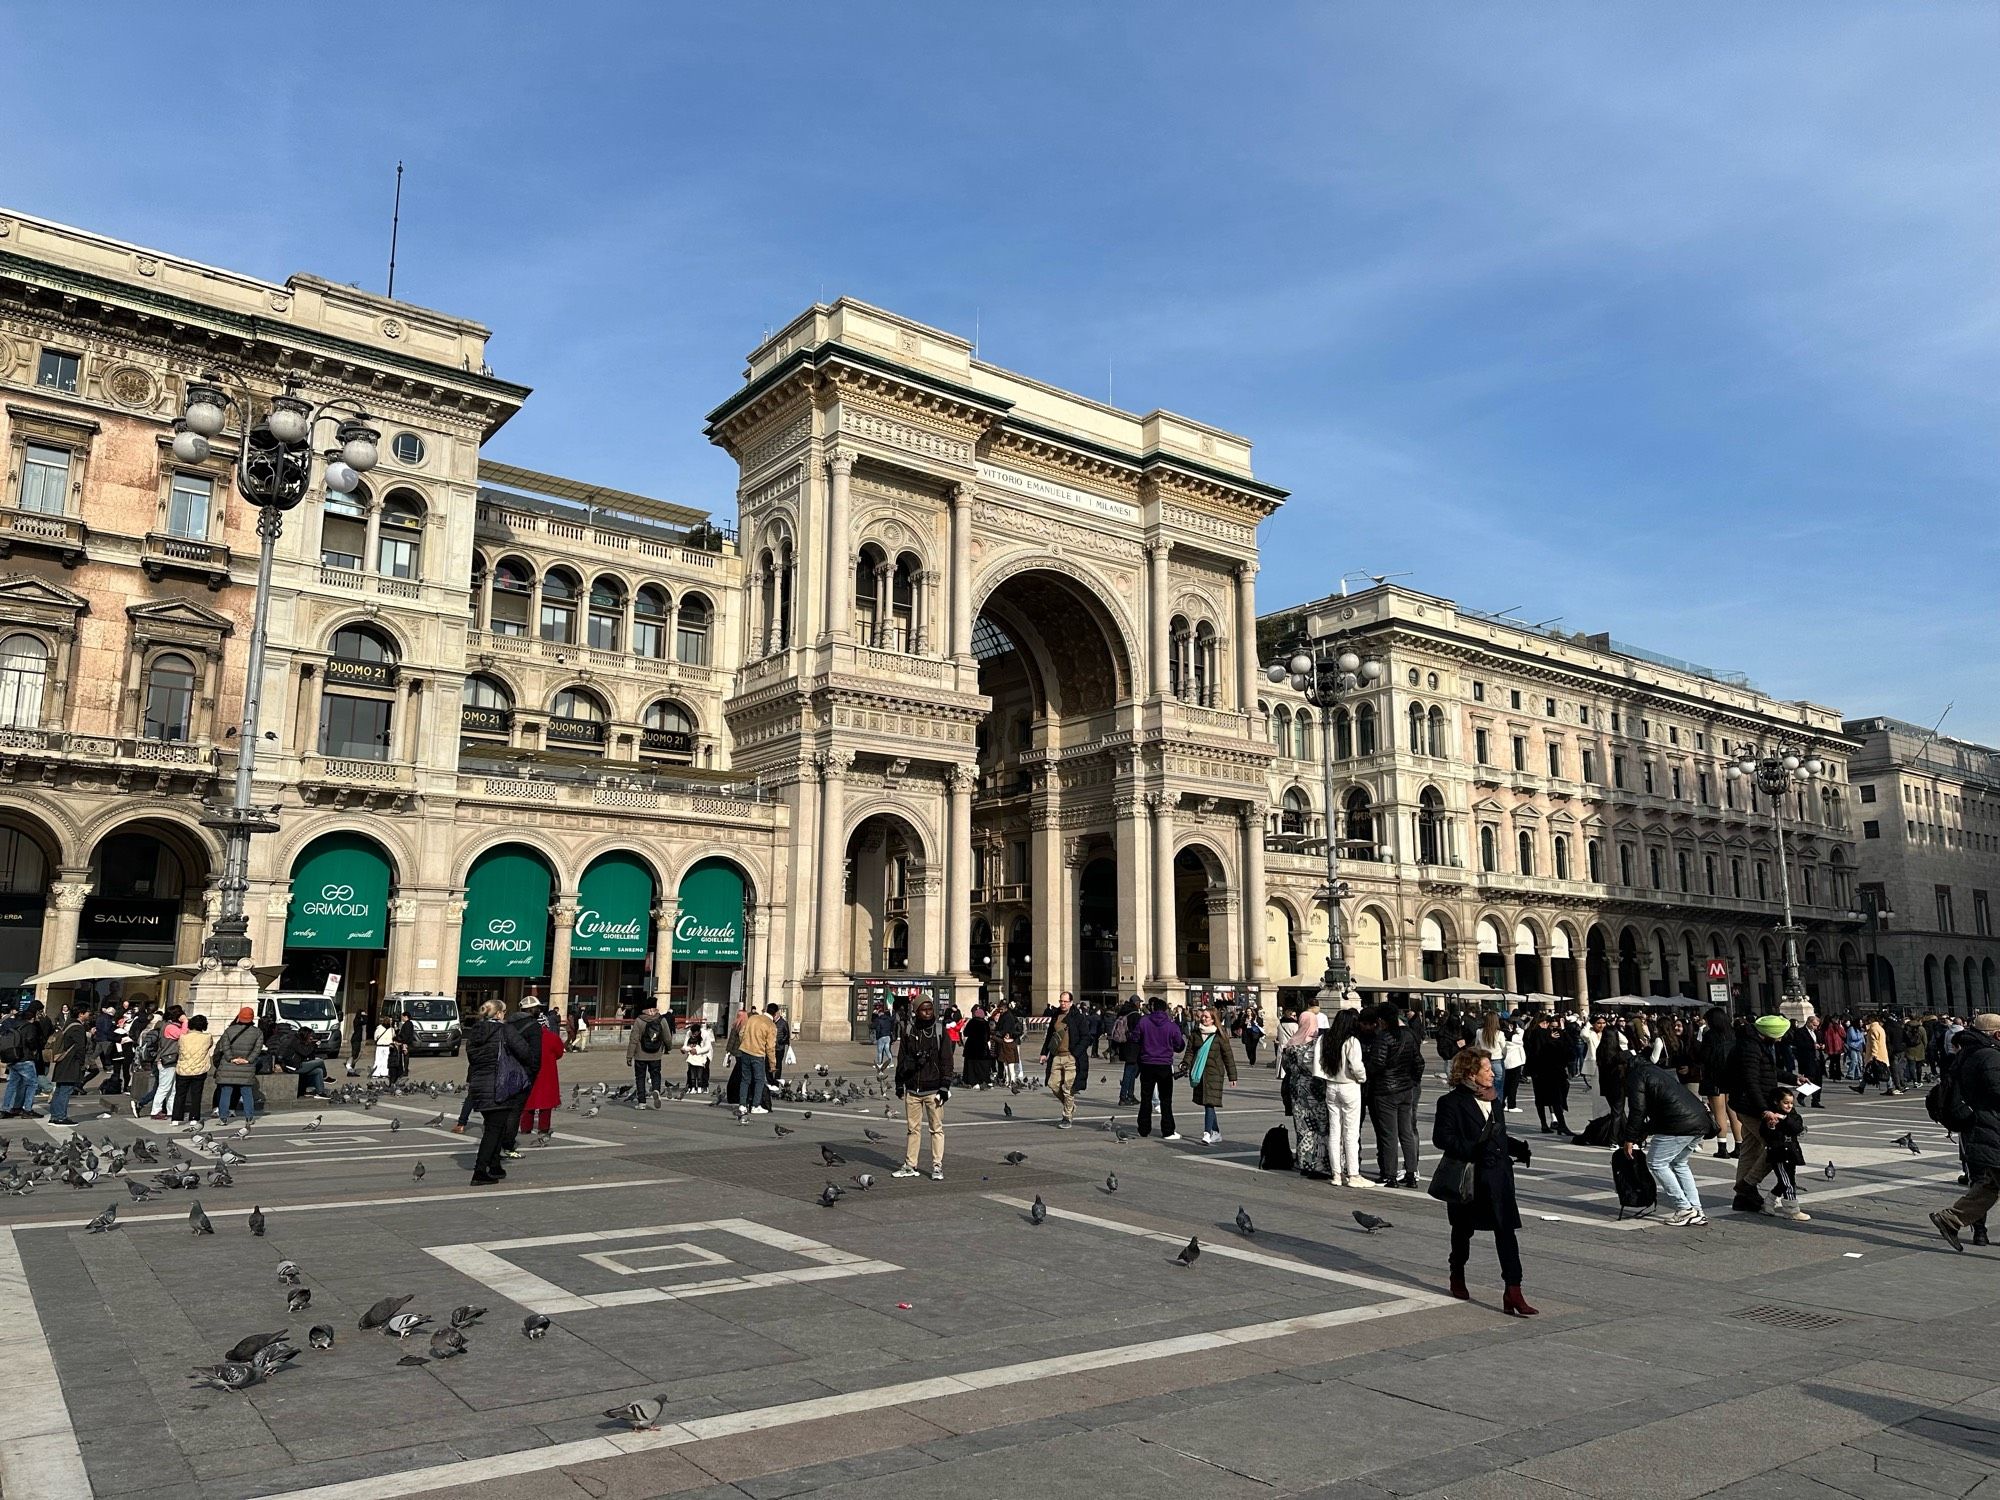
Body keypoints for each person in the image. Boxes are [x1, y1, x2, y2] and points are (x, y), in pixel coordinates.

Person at [1433, 1046, 1537, 1315]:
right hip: (1470, 1179)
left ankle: (1513, 1290)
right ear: (1471, 1073)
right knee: (1462, 1231)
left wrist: (1516, 1147)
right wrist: (1472, 1149)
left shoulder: (1493, 1098)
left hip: (1498, 1177)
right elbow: (1442, 1138)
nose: (1492, 1073)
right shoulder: (1451, 1102)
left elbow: (1496, 1134)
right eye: (1487, 1069)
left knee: (1506, 1232)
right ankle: (1457, 1272)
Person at [1620, 1046, 1716, 1225]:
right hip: (1699, 1120)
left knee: (1656, 1163)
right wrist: (1641, 1134)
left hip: (1678, 1124)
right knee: (1679, 1163)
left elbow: (1637, 1110)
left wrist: (1630, 1138)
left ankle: (1684, 1208)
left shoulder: (1636, 1075)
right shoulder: (1653, 1070)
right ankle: (1696, 1209)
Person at [1928, 1013, 2000, 1251]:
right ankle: (1953, 1220)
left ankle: (1951, 1219)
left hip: (1978, 1128)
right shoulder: (1989, 1055)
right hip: (1991, 1128)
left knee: (1989, 1185)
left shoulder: (1966, 1054)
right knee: (1989, 1183)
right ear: (1997, 1034)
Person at [1728, 1013, 1806, 1221]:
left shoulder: (1755, 1043)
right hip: (1752, 1106)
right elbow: (1751, 1081)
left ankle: (1742, 1197)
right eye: (1779, 1035)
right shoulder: (1750, 1048)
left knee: (1750, 1148)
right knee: (1777, 1147)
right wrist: (1764, 1110)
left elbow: (1769, 1071)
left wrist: (1793, 1078)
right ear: (1770, 1034)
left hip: (1751, 1103)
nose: (1781, 1039)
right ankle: (1747, 1185)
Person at [465, 1000, 536, 1185]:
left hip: (480, 1084)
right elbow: (525, 1052)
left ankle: (495, 1165)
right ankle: (480, 1171)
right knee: (494, 1129)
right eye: (504, 1011)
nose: (505, 1015)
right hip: (500, 1084)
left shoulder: (475, 1033)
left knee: (495, 1126)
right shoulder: (505, 1030)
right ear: (498, 1014)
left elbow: (473, 1058)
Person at [1363, 1005, 1425, 1188]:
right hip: (1406, 1089)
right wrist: (1412, 1080)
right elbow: (1419, 1062)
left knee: (1389, 1135)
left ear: (1381, 1020)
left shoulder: (1383, 1037)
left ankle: (1390, 1175)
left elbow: (1378, 1064)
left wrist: (1369, 1070)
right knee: (1406, 1132)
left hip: (1386, 1091)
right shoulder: (1408, 1035)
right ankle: (1411, 1173)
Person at [893, 996, 954, 1180]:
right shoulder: (909, 1030)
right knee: (913, 1129)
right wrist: (898, 1082)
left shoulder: (939, 1030)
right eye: (924, 1009)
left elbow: (947, 1060)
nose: (928, 1012)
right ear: (916, 1011)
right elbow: (901, 1058)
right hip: (912, 1089)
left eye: (930, 1009)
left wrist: (945, 1086)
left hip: (934, 1090)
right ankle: (910, 1165)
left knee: (936, 1128)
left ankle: (937, 1166)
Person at [1315, 1007, 1368, 1185]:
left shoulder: (1325, 1039)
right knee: (1350, 1132)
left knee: (1334, 1131)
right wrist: (1362, 1078)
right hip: (1349, 1086)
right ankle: (1353, 1174)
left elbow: (1316, 1062)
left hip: (1331, 1086)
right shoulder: (1352, 1041)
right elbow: (1356, 1065)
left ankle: (1336, 1174)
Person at [498, 998, 548, 1159]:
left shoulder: (508, 1023)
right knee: (515, 1110)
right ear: (530, 1010)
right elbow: (535, 1054)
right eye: (537, 1008)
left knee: (502, 1109)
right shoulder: (534, 1027)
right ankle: (508, 1145)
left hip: (504, 1071)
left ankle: (497, 1142)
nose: (539, 1010)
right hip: (523, 1073)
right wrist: (532, 1073)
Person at [1182, 1004, 1239, 1145]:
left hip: (1215, 1073)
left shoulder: (1220, 1035)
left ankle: (1207, 1133)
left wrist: (1233, 1076)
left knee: (1209, 1102)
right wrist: (1185, 1063)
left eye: (1206, 1017)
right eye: (1202, 1016)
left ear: (1213, 1019)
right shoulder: (1195, 1033)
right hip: (1200, 1072)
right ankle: (1216, 1132)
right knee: (1208, 1102)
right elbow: (1190, 1052)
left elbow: (1228, 1057)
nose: (1203, 1018)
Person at [1133, 996, 1186, 1141]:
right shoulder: (1171, 1025)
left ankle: (1143, 1129)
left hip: (1147, 1064)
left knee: (1146, 1098)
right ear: (1165, 1010)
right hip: (1164, 1065)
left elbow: (1135, 1037)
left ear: (1152, 1008)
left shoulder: (1143, 1021)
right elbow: (1180, 1045)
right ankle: (1168, 1130)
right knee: (1166, 1100)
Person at [1760, 1086, 1809, 1218]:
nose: (1789, 1106)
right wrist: (1771, 1126)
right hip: (1779, 1154)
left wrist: (1784, 1118)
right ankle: (1792, 1210)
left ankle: (1768, 1203)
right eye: (1785, 1103)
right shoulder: (1771, 1116)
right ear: (1777, 1102)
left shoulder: (1793, 1116)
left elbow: (1797, 1128)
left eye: (1791, 1103)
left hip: (1791, 1153)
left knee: (1786, 1181)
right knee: (1788, 1183)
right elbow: (1764, 1134)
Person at [1697, 1006, 1739, 1158]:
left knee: (1719, 1112)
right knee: (1733, 1112)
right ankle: (1739, 1145)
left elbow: (1704, 1056)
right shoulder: (1733, 1034)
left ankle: (1722, 1147)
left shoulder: (1711, 1035)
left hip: (1715, 1077)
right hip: (1733, 1077)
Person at [45, 1001, 95, 1126]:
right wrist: (82, 1062)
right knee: (65, 1090)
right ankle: (61, 1117)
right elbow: (80, 1047)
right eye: (87, 1012)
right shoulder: (78, 1027)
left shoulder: (69, 1024)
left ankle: (55, 1116)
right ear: (81, 1013)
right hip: (71, 1062)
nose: (89, 1014)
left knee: (60, 1089)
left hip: (63, 1061)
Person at [212, 1007, 264, 1124]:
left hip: (228, 1065)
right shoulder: (258, 1032)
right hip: (246, 1067)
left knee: (225, 1092)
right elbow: (257, 1049)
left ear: (239, 1017)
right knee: (247, 1093)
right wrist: (248, 1060)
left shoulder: (229, 1031)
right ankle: (249, 1118)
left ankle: (223, 1119)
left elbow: (224, 1047)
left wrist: (232, 1058)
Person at [1040, 992, 1085, 1129]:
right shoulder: (1056, 1016)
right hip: (1057, 1056)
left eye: (1065, 1001)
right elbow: (1050, 1036)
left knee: (1068, 1088)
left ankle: (1067, 1117)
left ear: (1071, 1002)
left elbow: (1086, 1037)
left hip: (1071, 1057)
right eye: (1061, 1001)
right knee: (1052, 1084)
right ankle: (1070, 1105)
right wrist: (1044, 1053)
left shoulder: (1078, 1017)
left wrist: (1075, 1054)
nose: (1063, 1004)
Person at [519, 1009, 566, 1138]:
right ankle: (543, 1128)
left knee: (529, 1101)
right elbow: (559, 1053)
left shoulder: (527, 1037)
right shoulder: (552, 1037)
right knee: (546, 1102)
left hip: (530, 1071)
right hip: (548, 1073)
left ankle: (525, 1127)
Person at [1525, 1014, 1573, 1137]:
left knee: (1547, 1098)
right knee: (1550, 1099)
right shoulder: (1538, 1033)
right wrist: (1550, 1038)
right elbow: (1539, 1050)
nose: (1547, 1027)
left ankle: (1550, 1123)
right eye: (1545, 1024)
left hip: (1545, 1071)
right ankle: (1555, 1124)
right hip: (1545, 1071)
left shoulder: (1536, 1033)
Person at [1, 999, 49, 1119]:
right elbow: (31, 1041)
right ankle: (27, 1109)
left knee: (12, 1084)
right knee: (32, 1084)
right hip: (25, 1059)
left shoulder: (15, 1024)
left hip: (13, 1058)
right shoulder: (30, 1027)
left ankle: (6, 1108)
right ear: (33, 1017)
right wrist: (34, 1050)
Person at [733, 1002, 777, 1114]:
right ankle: (755, 1105)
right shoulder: (771, 1025)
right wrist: (772, 1064)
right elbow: (770, 1047)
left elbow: (741, 1032)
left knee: (745, 1079)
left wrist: (746, 1042)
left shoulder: (753, 1018)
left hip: (745, 1050)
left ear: (766, 1009)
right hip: (758, 1054)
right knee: (759, 1080)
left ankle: (742, 1105)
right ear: (776, 1013)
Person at [171, 1014, 216, 1124]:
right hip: (199, 1069)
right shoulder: (207, 1037)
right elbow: (209, 1046)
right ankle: (194, 1118)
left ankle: (176, 1118)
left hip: (183, 1068)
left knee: (180, 1094)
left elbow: (179, 1048)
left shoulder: (182, 1037)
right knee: (196, 1094)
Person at [626, 1002, 670, 1103]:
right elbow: (667, 1037)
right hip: (656, 1054)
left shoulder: (639, 1020)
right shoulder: (662, 1020)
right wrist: (669, 1047)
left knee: (640, 1077)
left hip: (640, 1055)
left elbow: (633, 1039)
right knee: (655, 1074)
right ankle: (656, 1090)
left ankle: (642, 1102)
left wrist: (629, 1056)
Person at [148, 1005, 186, 1119]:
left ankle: (171, 1110)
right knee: (164, 1087)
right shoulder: (170, 1027)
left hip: (170, 1060)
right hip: (167, 1060)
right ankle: (155, 1111)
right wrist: (185, 1022)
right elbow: (183, 1036)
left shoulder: (169, 1025)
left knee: (173, 1088)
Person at [1110, 996, 1143, 1105]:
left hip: (1125, 1046)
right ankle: (1124, 1097)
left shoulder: (1123, 1013)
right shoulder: (1135, 1016)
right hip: (1135, 1048)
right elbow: (1140, 1032)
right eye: (1139, 1002)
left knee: (1130, 1072)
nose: (1140, 1005)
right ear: (1136, 1003)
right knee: (1130, 1073)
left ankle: (1129, 1095)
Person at [961, 1003, 993, 1088]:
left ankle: (973, 1082)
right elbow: (988, 1036)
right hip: (983, 1048)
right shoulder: (985, 1023)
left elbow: (966, 1033)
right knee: (983, 1066)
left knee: (971, 1066)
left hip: (971, 1047)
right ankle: (983, 1080)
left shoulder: (972, 1022)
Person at [992, 1002, 1024, 1086]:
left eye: (1001, 1009)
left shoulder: (1008, 1017)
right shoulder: (1006, 1015)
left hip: (1009, 1043)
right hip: (1008, 1042)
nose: (1000, 1011)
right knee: (1006, 1064)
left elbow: (1005, 1030)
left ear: (1005, 1008)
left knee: (1010, 1065)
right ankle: (1007, 1080)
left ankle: (1011, 1081)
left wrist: (996, 1033)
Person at [681, 1018, 712, 1090]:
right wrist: (684, 1049)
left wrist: (697, 1051)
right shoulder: (689, 1033)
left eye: (695, 1033)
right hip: (693, 1055)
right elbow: (685, 1044)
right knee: (691, 1070)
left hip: (705, 1054)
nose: (693, 1035)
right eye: (692, 1033)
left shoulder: (705, 1034)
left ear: (698, 1032)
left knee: (704, 1069)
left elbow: (708, 1047)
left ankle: (704, 1086)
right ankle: (690, 1086)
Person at [370, 1012, 395, 1080]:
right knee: (386, 1060)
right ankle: (384, 1073)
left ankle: (376, 1073)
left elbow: (375, 1037)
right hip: (388, 1046)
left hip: (380, 1046)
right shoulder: (391, 1029)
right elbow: (393, 1037)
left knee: (378, 1059)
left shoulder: (379, 1028)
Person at [870, 1002, 895, 1069]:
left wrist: (873, 1014)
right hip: (887, 1036)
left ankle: (879, 1064)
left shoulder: (879, 1020)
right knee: (887, 1050)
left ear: (879, 1013)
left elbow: (874, 1026)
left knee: (880, 1051)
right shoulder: (888, 1019)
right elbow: (892, 1020)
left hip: (881, 1036)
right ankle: (891, 1063)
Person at [348, 1007, 371, 1075]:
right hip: (355, 1039)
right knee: (354, 1054)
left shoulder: (358, 1019)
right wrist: (365, 1015)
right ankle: (350, 1068)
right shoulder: (357, 1020)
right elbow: (365, 1021)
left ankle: (352, 1069)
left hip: (358, 1039)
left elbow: (365, 1022)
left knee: (356, 1054)